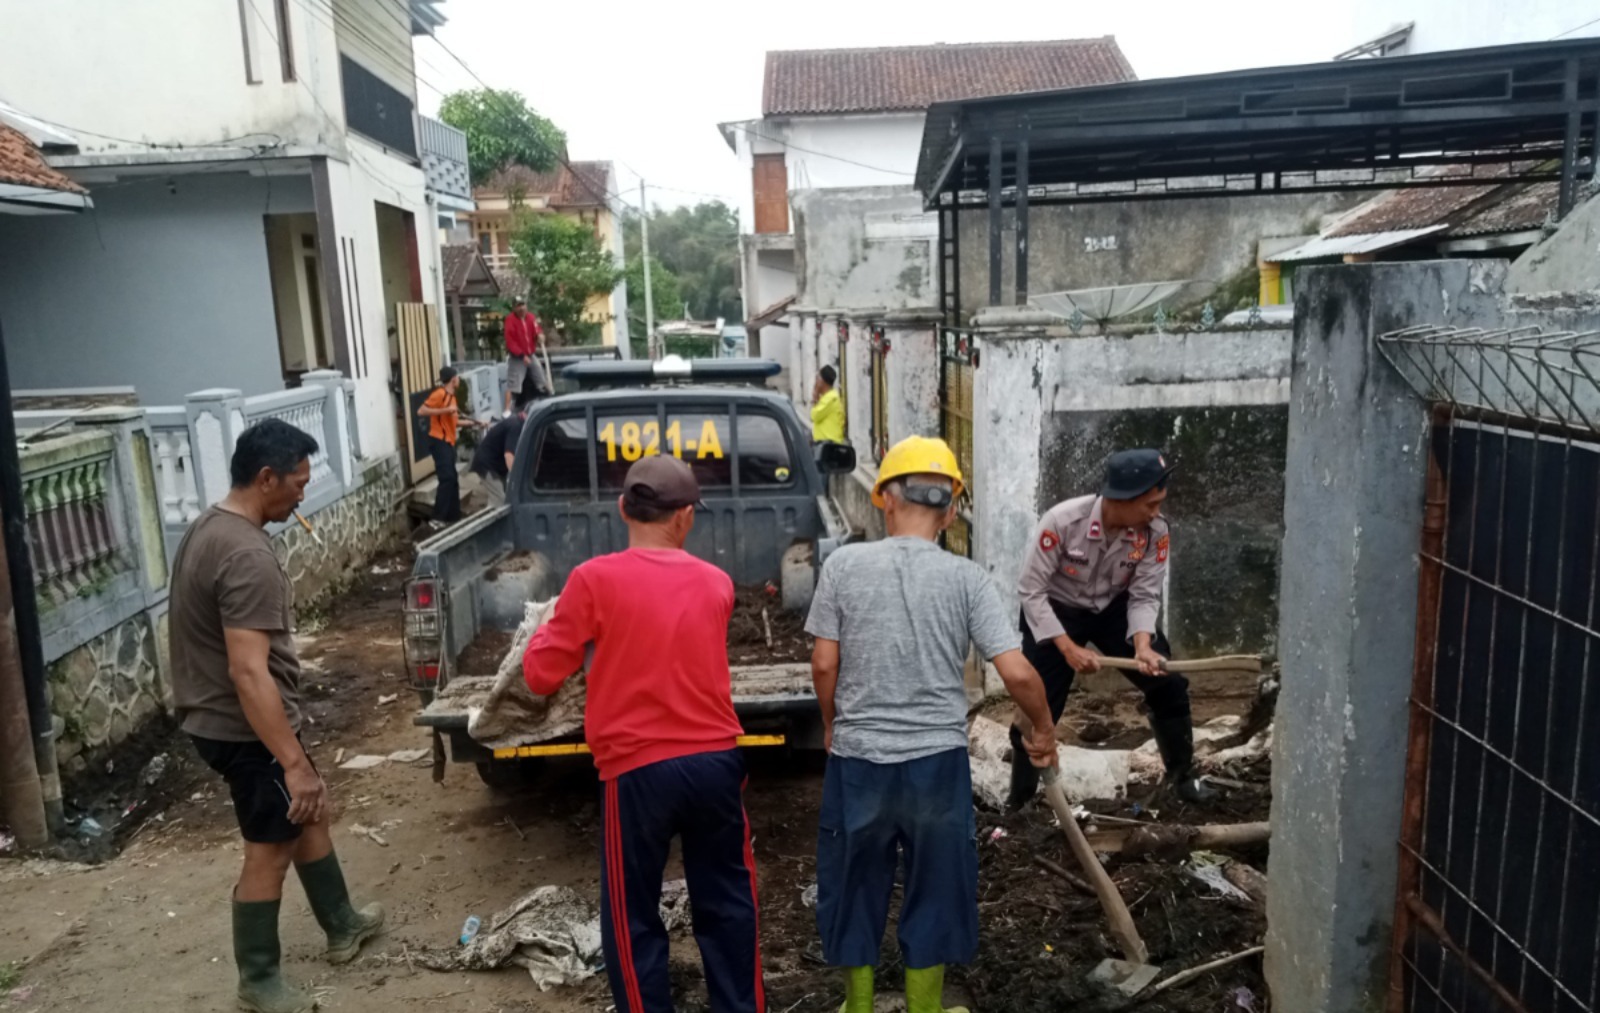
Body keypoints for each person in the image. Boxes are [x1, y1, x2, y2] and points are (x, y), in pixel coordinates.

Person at [805, 436, 1058, 1013]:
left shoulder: (843, 566)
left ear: (885, 500)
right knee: (937, 885)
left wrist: (832, 724)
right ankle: (925, 1009)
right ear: (948, 514)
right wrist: (1042, 729)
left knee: (853, 882)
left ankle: (858, 1007)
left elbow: (823, 664)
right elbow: (1018, 673)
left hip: (860, 761)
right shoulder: (967, 579)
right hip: (936, 767)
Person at [523, 455, 766, 1013]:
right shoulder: (718, 584)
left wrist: (549, 631)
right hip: (714, 765)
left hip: (635, 773)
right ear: (685, 517)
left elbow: (539, 676)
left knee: (632, 914)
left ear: (622, 509)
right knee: (729, 902)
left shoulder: (592, 581)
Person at [169, 419, 384, 1013]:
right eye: (298, 483)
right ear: (266, 478)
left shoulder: (209, 528)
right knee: (270, 847)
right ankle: (258, 980)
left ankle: (342, 923)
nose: (301, 496)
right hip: (244, 727)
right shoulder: (246, 554)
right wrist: (292, 761)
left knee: (308, 811)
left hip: (221, 716)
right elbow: (248, 671)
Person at [1009, 448, 1216, 808]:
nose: (1156, 513)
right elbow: (1031, 591)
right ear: (1122, 498)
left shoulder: (1155, 532)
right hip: (1055, 610)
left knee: (1168, 684)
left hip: (1113, 608)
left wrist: (1142, 646)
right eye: (1150, 504)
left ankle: (1182, 779)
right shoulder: (1061, 522)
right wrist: (1067, 647)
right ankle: (1020, 801)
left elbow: (1145, 594)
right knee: (1035, 702)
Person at [417, 366, 479, 527]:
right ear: (453, 379)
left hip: (449, 441)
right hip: (438, 440)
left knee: (453, 479)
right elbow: (421, 411)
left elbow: (455, 421)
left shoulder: (452, 398)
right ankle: (437, 518)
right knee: (447, 478)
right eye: (457, 377)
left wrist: (474, 424)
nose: (458, 379)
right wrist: (444, 410)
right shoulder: (439, 394)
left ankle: (453, 516)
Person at [471, 392, 530, 509]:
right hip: (487, 465)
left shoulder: (519, 423)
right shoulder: (515, 426)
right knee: (499, 501)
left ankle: (489, 515)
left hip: (496, 466)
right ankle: (490, 519)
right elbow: (509, 455)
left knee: (502, 498)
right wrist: (517, 477)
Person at [504, 297, 549, 413]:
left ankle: (547, 403)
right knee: (513, 385)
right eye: (518, 306)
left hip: (531, 354)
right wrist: (521, 356)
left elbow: (537, 330)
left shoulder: (531, 317)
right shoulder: (510, 320)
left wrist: (540, 336)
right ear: (514, 308)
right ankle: (507, 411)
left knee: (541, 379)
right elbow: (510, 342)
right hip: (517, 357)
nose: (521, 308)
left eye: (523, 305)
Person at [811, 365, 845, 444]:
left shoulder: (830, 399)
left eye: (817, 378)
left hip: (829, 445)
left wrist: (815, 398)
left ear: (822, 382)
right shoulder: (827, 397)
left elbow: (814, 416)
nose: (816, 382)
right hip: (826, 444)